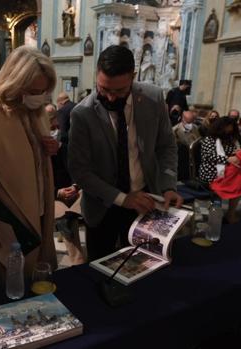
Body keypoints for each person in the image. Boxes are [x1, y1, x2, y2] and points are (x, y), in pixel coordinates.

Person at [68, 45, 182, 261]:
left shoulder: (154, 97)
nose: (110, 98)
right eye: (104, 89)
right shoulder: (82, 114)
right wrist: (123, 199)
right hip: (102, 206)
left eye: (119, 91)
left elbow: (166, 146)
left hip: (146, 200)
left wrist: (168, 185)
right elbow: (80, 171)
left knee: (144, 264)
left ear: (133, 77)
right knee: (101, 269)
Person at [0, 46, 59, 288]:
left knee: (32, 284)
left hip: (36, 211)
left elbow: (30, 161)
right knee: (3, 291)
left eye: (43, 91)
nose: (38, 97)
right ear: (14, 84)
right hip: (2, 225)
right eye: (32, 91)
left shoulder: (36, 113)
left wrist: (47, 149)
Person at [199, 116, 241, 223]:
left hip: (228, 170)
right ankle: (230, 215)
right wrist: (228, 159)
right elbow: (208, 156)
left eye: (231, 128)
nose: (228, 130)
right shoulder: (209, 139)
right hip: (211, 171)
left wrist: (237, 156)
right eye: (227, 128)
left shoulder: (230, 139)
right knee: (239, 182)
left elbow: (236, 152)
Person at [47, 104, 85, 265]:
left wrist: (75, 186)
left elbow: (76, 168)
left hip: (64, 203)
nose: (55, 124)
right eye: (50, 119)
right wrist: (56, 192)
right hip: (47, 200)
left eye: (55, 117)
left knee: (74, 247)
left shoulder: (64, 145)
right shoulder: (32, 148)